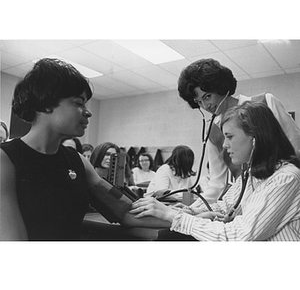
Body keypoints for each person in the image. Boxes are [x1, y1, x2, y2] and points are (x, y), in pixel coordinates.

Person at [0, 58, 170, 241]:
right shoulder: (6, 159)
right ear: (46, 102)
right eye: (78, 103)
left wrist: (184, 219)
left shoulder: (78, 161)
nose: (88, 112)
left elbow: (126, 211)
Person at [130, 102, 300, 241]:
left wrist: (173, 216)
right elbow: (224, 206)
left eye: (230, 136)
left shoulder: (285, 179)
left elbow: (239, 235)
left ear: (255, 138)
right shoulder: (250, 176)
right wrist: (190, 211)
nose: (225, 145)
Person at [177, 58, 300, 203]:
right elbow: (217, 183)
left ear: (220, 87)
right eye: (199, 102)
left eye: (207, 96)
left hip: (283, 190)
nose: (206, 106)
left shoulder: (265, 102)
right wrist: (193, 208)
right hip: (246, 199)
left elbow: (296, 147)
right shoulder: (213, 132)